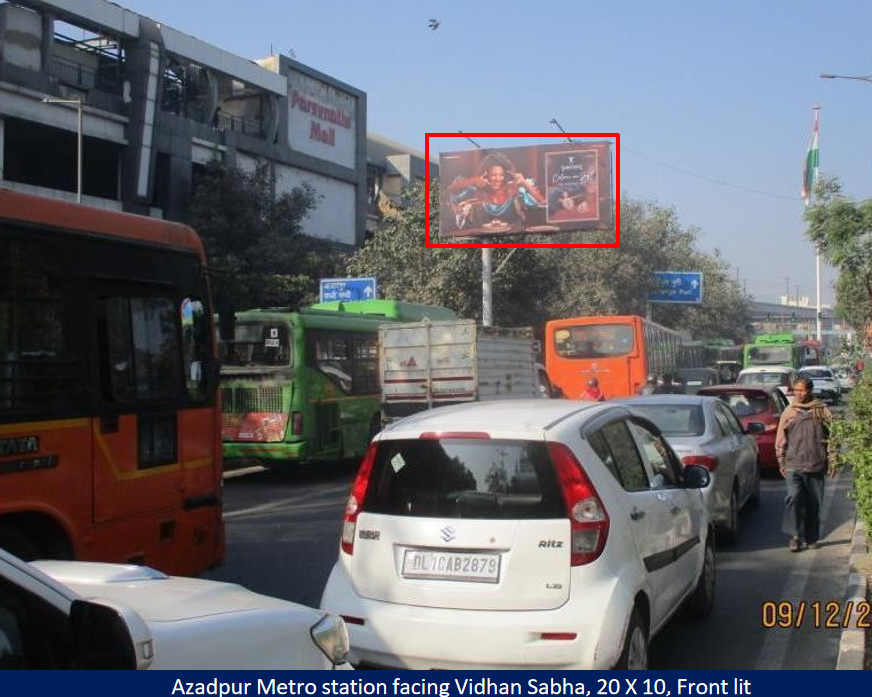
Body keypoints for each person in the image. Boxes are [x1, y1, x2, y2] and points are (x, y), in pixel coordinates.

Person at [775, 376, 834, 552]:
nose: (799, 394)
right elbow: (781, 439)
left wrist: (833, 459)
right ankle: (795, 536)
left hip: (815, 463)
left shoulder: (822, 410)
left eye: (802, 390)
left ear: (810, 390)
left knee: (813, 503)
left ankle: (812, 538)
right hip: (793, 464)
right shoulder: (789, 412)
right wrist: (781, 459)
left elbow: (833, 437)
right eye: (796, 390)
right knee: (793, 498)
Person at [447, 152, 545, 231]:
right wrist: (474, 180)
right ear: (486, 175)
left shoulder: (513, 190)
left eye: (501, 175)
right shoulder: (478, 192)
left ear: (505, 176)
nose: (497, 179)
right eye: (493, 175)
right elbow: (449, 189)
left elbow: (542, 201)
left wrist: (525, 183)